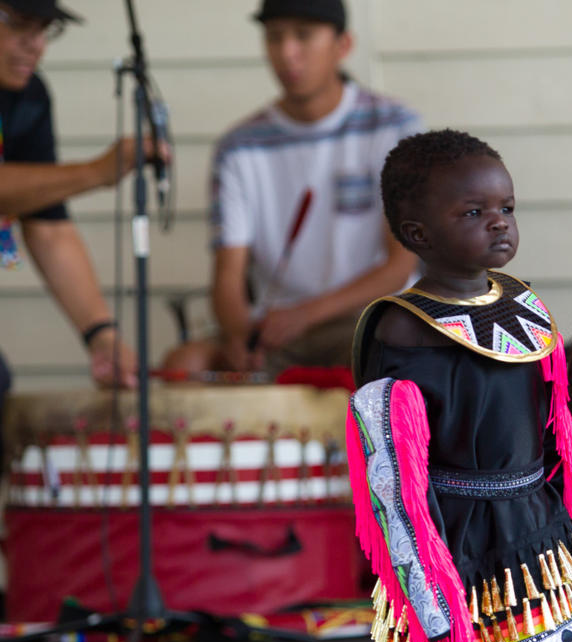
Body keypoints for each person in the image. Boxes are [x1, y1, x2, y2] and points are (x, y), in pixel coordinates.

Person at [347, 130, 572, 642]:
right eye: (474, 212)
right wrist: (432, 600)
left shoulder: (521, 305)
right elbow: (395, 474)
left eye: (506, 207)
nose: (499, 221)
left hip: (543, 529)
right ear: (418, 234)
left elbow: (557, 427)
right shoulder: (402, 326)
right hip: (459, 537)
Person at [0, 0, 147, 621]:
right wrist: (98, 171)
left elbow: (46, 227)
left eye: (43, 28)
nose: (34, 44)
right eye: (18, 24)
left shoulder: (22, 100)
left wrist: (99, 332)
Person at [161, 0, 419, 379]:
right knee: (184, 365)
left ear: (343, 45)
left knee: (383, 354)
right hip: (274, 332)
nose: (286, 52)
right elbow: (228, 277)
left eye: (303, 35)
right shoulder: (239, 146)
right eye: (274, 37)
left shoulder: (394, 126)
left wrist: (305, 314)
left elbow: (399, 268)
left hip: (370, 321)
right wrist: (237, 336)